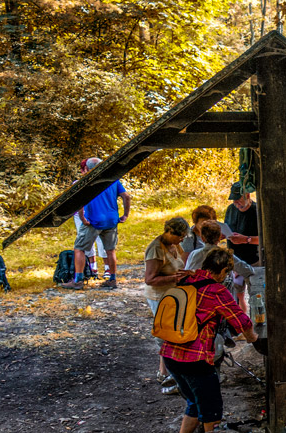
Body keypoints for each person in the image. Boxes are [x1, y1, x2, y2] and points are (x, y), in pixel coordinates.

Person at [161, 248, 258, 433]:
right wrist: (254, 339)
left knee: (195, 402)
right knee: (211, 409)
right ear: (223, 270)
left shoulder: (186, 279)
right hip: (194, 359)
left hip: (170, 355)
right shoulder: (216, 290)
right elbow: (242, 322)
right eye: (227, 273)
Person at [61, 162, 130, 290]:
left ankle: (78, 280)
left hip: (93, 221)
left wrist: (82, 217)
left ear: (87, 168)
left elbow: (80, 201)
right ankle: (112, 279)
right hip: (111, 221)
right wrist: (125, 215)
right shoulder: (113, 180)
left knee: (79, 248)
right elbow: (126, 197)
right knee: (110, 250)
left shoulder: (87, 182)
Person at [145, 217, 193, 395]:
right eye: (180, 236)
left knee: (171, 335)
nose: (182, 240)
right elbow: (149, 279)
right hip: (159, 298)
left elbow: (179, 264)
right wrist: (174, 278)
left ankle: (164, 373)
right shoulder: (156, 249)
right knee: (168, 336)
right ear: (170, 232)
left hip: (173, 296)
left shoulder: (174, 246)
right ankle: (174, 375)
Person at [185, 220, 255, 305]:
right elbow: (247, 270)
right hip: (222, 300)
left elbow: (187, 274)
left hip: (199, 300)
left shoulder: (194, 254)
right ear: (220, 237)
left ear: (202, 238)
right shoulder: (225, 255)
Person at [73, 157, 107, 278]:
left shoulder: (78, 184)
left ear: (85, 169)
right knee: (101, 240)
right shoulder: (105, 182)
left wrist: (82, 218)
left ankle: (91, 269)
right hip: (99, 214)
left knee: (83, 244)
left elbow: (78, 203)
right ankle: (104, 269)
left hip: (85, 216)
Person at [224, 182, 260, 266]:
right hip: (233, 261)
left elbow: (265, 240)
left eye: (238, 199)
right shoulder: (230, 209)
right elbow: (226, 228)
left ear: (247, 196)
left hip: (253, 262)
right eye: (233, 200)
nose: (236, 203)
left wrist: (245, 239)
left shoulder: (257, 212)